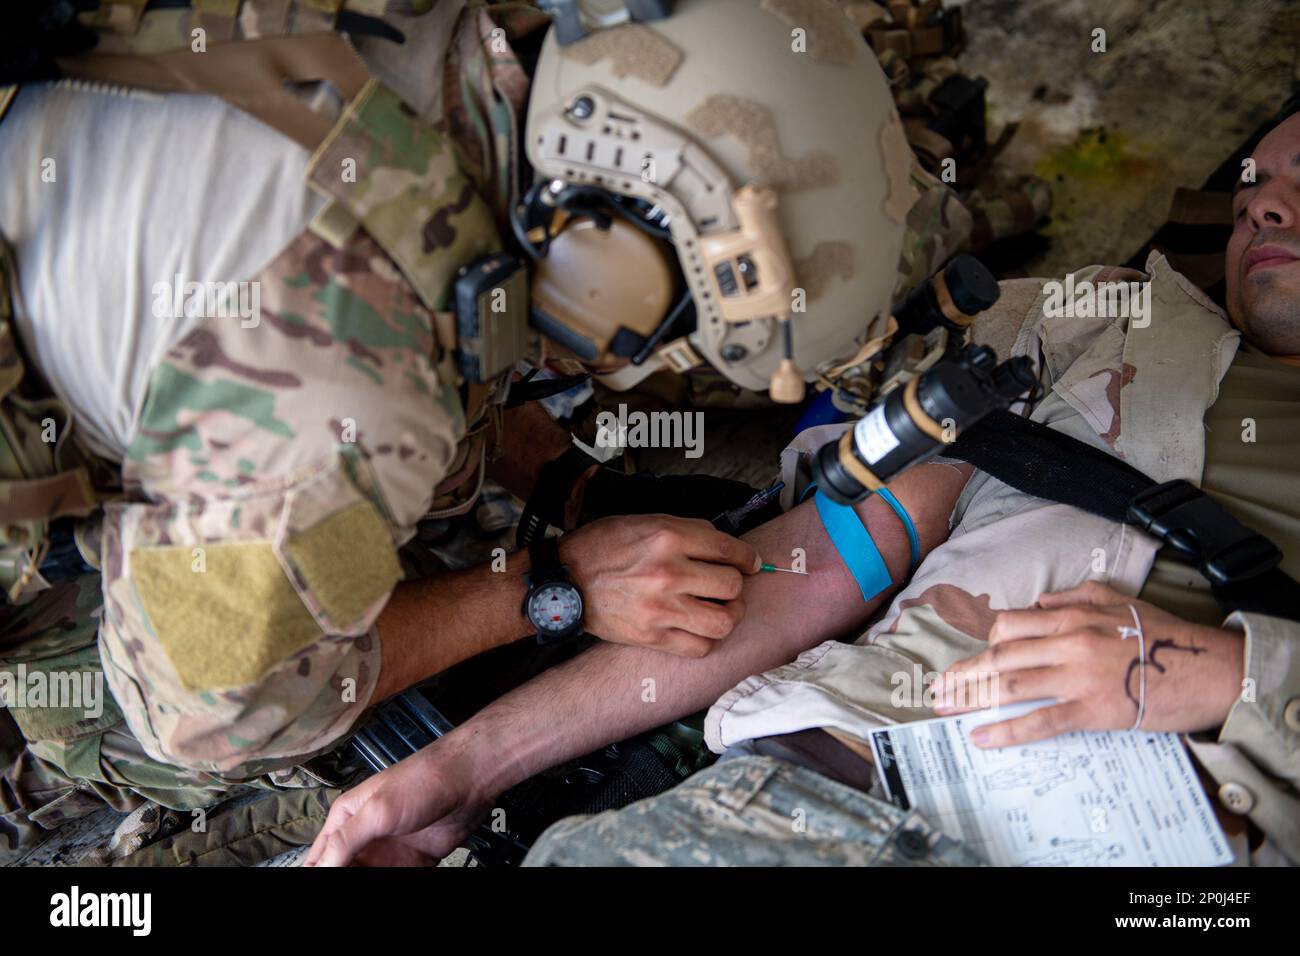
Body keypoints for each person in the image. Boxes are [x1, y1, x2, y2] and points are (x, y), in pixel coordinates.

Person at [1, 0, 924, 861]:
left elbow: (479, 293)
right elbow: (215, 705)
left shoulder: (513, 66)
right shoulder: (337, 387)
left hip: (169, 320)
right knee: (345, 733)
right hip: (74, 583)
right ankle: (53, 749)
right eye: (669, 333)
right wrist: (555, 590)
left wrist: (573, 488)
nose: (656, 365)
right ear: (605, 251)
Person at [307, 107, 1300, 868]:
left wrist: (1228, 673)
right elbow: (812, 565)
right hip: (808, 808)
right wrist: (460, 767)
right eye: (1263, 176)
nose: (1266, 199)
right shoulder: (1098, 319)